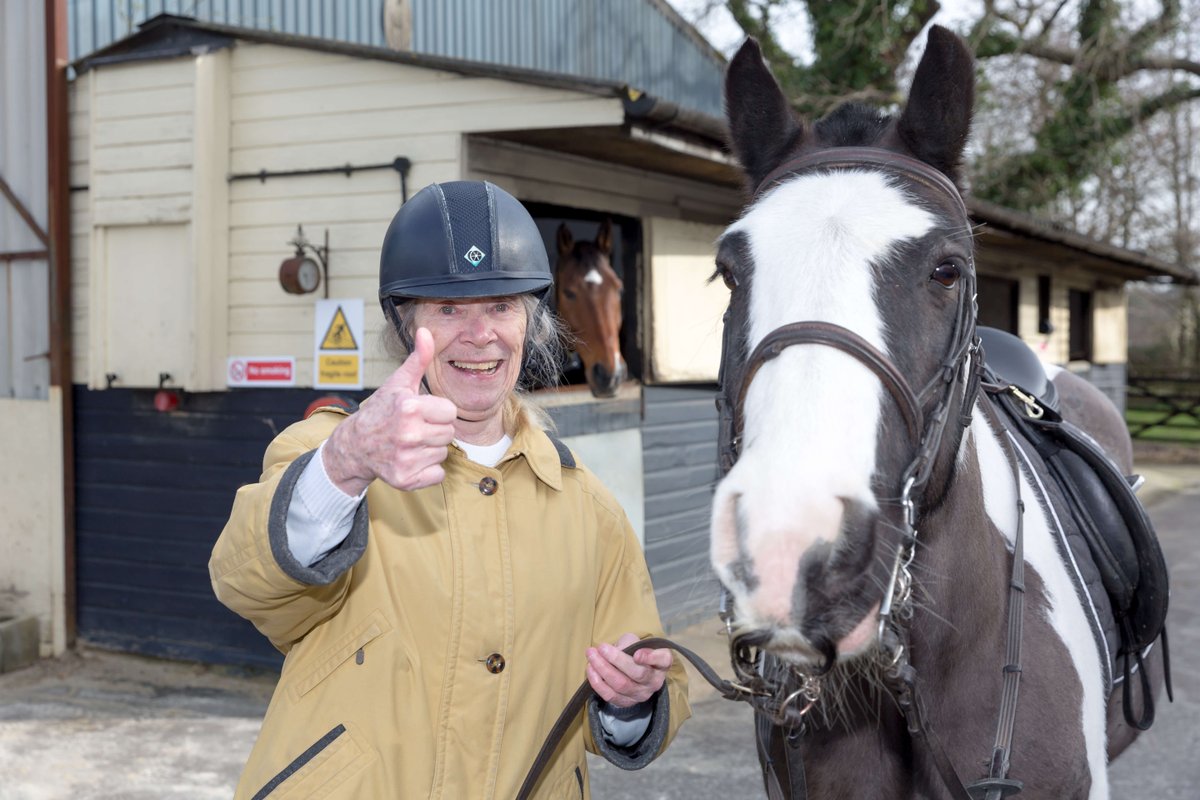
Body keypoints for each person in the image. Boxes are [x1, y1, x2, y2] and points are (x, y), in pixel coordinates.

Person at [209, 180, 690, 799]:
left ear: (529, 323)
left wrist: (631, 703)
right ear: (407, 328)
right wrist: (349, 462)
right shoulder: (324, 454)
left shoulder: (590, 510)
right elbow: (244, 584)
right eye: (448, 309)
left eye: (500, 306)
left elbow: (654, 689)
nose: (479, 334)